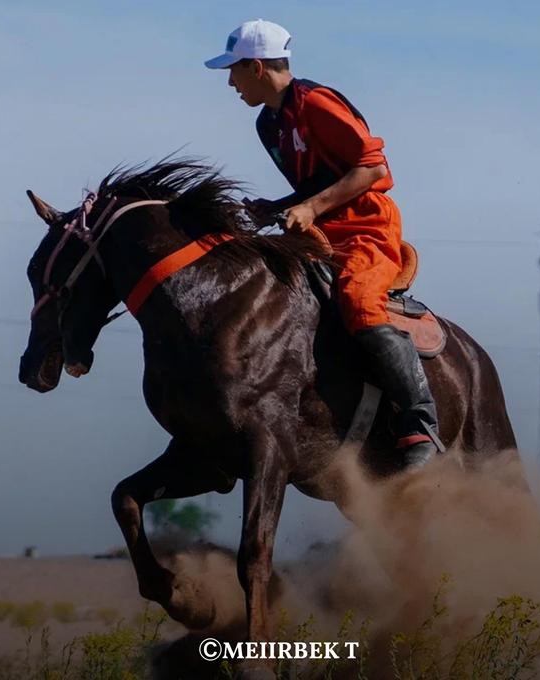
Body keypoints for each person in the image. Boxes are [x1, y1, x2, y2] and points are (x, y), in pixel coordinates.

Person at [205, 19, 440, 469]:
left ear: (256, 67)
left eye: (232, 71)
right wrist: (275, 206)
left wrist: (310, 209)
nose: (229, 82)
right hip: (319, 230)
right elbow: (318, 182)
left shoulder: (316, 102)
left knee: (357, 300)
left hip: (366, 226)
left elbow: (371, 169)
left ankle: (419, 420)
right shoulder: (267, 124)